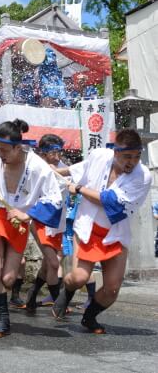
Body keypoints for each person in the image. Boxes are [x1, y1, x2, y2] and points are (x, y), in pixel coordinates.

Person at [0, 119, 63, 338]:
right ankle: (3, 320)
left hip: (19, 222)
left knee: (9, 279)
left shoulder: (38, 166)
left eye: (4, 150)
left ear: (18, 147)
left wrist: (27, 215)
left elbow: (55, 199)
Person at [52, 129, 152, 334]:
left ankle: (89, 317)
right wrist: (54, 171)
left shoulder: (143, 176)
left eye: (137, 156)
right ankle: (67, 290)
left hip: (116, 233)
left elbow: (111, 202)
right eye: (127, 156)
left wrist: (79, 189)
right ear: (116, 152)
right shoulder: (99, 156)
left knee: (112, 288)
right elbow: (80, 168)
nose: (132, 162)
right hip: (88, 226)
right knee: (79, 278)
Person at [25, 134, 68, 312]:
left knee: (47, 264)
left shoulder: (63, 167)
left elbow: (72, 182)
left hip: (58, 221)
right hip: (40, 219)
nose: (57, 157)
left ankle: (32, 295)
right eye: (52, 153)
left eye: (59, 152)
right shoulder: (35, 167)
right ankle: (59, 305)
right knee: (54, 263)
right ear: (43, 153)